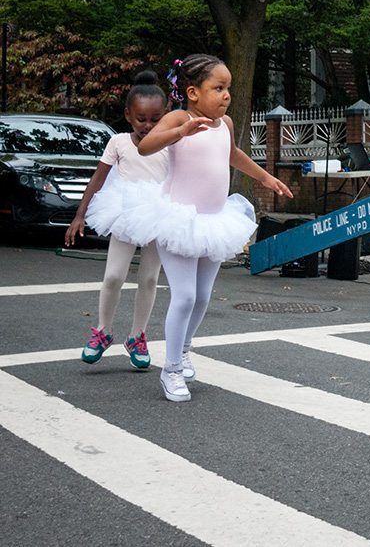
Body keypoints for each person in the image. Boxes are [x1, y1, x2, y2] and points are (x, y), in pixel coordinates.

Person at [115, 54, 292, 402]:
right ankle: (171, 371)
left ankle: (183, 349)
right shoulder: (179, 117)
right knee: (185, 296)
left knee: (204, 297)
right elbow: (146, 145)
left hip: (215, 221)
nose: (226, 95)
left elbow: (233, 154)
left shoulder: (223, 124)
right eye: (219, 88)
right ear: (194, 92)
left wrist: (266, 177)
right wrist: (179, 132)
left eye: (229, 88)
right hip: (178, 219)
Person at [66, 71, 170, 370]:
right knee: (113, 276)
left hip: (159, 215)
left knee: (149, 278)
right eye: (141, 119)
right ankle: (103, 330)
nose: (148, 125)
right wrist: (80, 214)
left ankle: (137, 336)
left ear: (164, 117)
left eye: (155, 118)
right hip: (124, 213)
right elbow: (97, 180)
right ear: (128, 115)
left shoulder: (169, 143)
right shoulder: (118, 142)